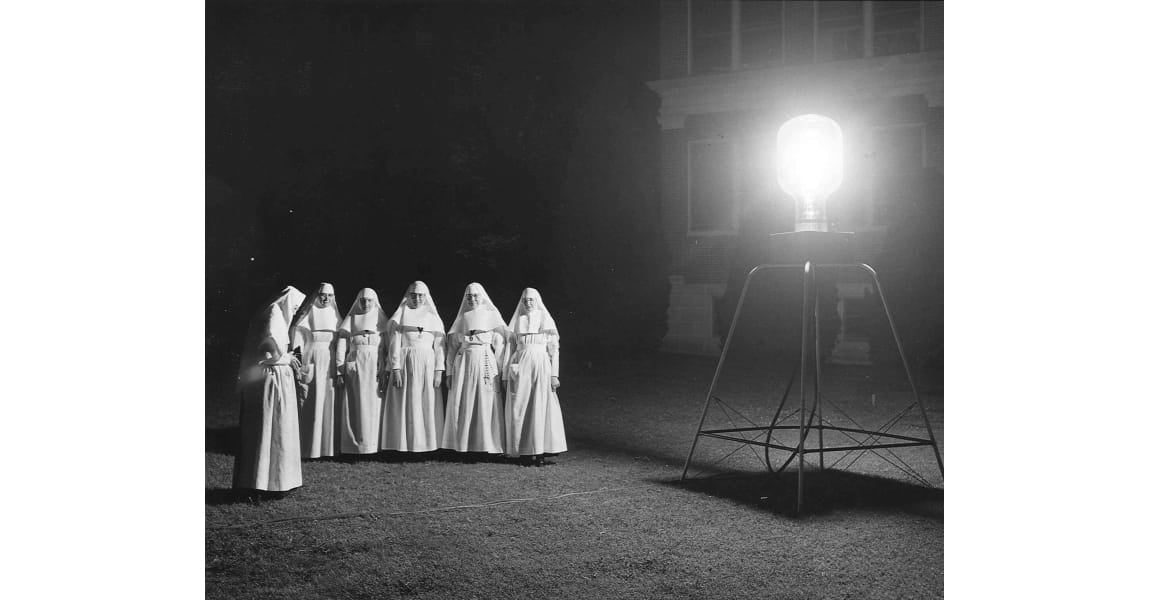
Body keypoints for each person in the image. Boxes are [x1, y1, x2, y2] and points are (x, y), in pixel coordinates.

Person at [233, 286, 306, 494]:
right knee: (270, 426)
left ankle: (275, 480)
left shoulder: (273, 315)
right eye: (294, 306)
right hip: (272, 379)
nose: (295, 310)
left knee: (276, 428)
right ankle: (264, 482)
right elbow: (270, 353)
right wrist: (289, 358)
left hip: (276, 378)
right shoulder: (273, 314)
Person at [441, 283, 508, 456]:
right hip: (463, 364)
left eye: (476, 296)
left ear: (482, 296)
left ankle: (487, 445)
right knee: (464, 400)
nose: (472, 299)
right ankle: (464, 445)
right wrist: (449, 372)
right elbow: (452, 349)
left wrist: (501, 372)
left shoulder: (491, 316)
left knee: (485, 401)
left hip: (485, 362)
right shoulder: (462, 318)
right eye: (469, 297)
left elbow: (499, 347)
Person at [503, 287, 567, 466]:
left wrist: (554, 375)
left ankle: (539, 451)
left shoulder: (545, 319)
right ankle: (523, 451)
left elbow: (554, 350)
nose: (528, 303)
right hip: (521, 366)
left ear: (537, 301)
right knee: (520, 406)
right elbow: (510, 348)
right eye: (525, 300)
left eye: (531, 300)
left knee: (539, 406)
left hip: (541, 366)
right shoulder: (517, 321)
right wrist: (506, 374)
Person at [381, 281, 445, 453]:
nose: (417, 299)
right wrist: (395, 368)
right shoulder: (400, 317)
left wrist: (439, 370)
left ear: (426, 297)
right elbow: (394, 345)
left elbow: (439, 347)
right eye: (413, 295)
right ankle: (404, 444)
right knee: (406, 401)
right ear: (408, 297)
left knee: (425, 401)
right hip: (405, 364)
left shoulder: (433, 319)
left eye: (421, 296)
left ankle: (425, 445)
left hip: (427, 365)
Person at [289, 283, 343, 459]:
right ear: (316, 296)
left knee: (330, 400)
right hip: (311, 358)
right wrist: (298, 363)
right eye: (322, 295)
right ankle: (308, 447)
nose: (325, 298)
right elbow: (298, 340)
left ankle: (328, 448)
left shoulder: (336, 316)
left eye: (329, 295)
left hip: (331, 361)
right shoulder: (308, 316)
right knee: (311, 400)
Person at [336, 288, 388, 455]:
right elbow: (341, 345)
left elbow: (386, 347)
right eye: (363, 300)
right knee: (355, 402)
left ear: (375, 302)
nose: (366, 303)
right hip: (355, 364)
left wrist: (385, 367)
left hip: (374, 365)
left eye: (369, 300)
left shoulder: (381, 320)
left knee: (373, 403)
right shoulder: (351, 319)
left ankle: (373, 445)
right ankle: (355, 446)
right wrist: (340, 368)